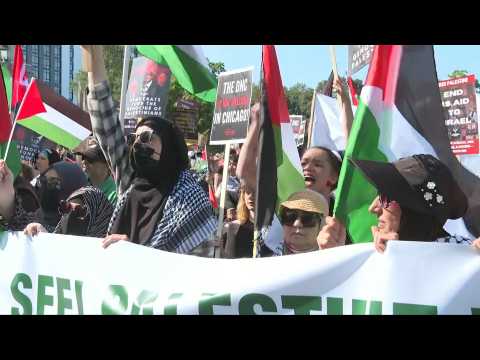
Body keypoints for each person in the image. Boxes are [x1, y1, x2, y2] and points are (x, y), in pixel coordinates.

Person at [82, 45, 216, 255]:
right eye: (134, 138)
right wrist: (94, 54)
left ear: (169, 148)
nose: (137, 144)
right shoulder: (130, 181)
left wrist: (137, 254)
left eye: (147, 138)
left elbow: (198, 274)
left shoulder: (191, 200)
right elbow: (104, 117)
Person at [350, 154, 474, 253]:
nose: (372, 208)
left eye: (385, 196)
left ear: (412, 208)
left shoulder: (468, 258)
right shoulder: (378, 259)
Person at [25, 186, 114, 238]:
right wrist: (43, 235)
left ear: (99, 217)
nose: (71, 215)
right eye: (66, 208)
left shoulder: (113, 260)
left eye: (80, 211)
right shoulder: (57, 247)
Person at [279, 189, 329, 255]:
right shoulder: (266, 251)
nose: (297, 224)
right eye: (290, 217)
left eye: (307, 218)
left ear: (323, 225)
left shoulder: (333, 258)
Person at [75, 136, 117, 205]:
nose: (84, 162)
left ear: (107, 165)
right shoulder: (80, 184)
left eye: (90, 159)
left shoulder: (115, 195)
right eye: (83, 158)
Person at [223, 184, 256, 258]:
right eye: (247, 192)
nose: (250, 196)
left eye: (255, 192)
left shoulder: (271, 228)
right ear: (243, 196)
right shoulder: (233, 227)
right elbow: (228, 259)